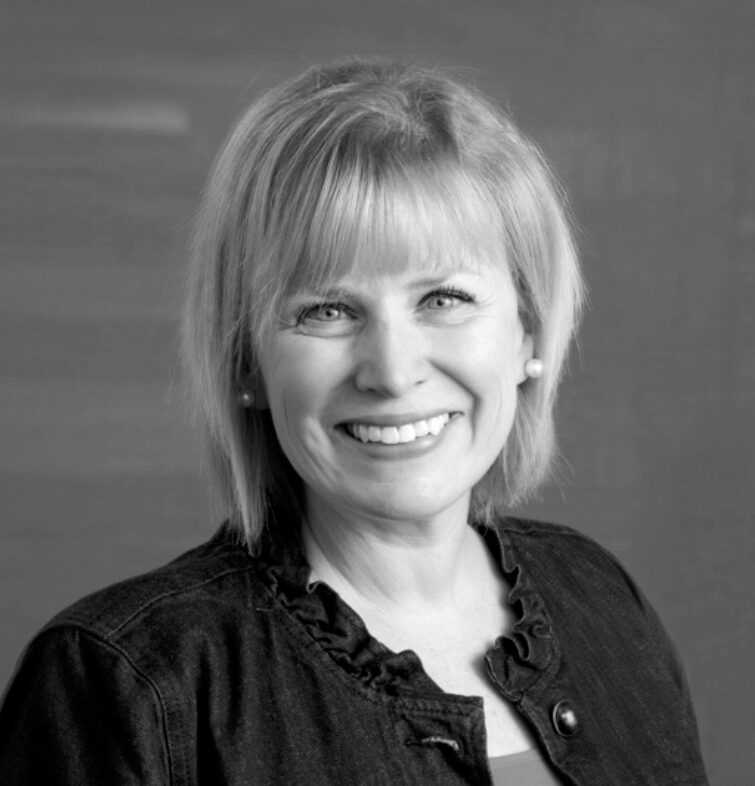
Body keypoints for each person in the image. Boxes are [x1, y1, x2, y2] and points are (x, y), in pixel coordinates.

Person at [0, 57, 708, 785]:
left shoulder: (598, 598)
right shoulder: (127, 684)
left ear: (527, 333)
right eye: (326, 311)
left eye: (443, 298)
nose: (393, 371)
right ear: (247, 364)